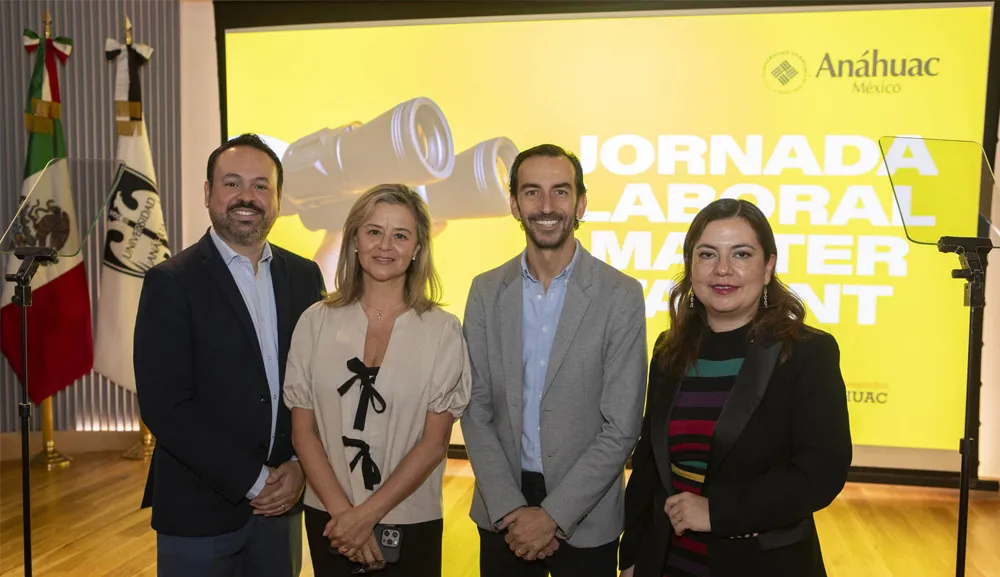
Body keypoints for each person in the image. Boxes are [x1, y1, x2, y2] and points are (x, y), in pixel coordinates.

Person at [618, 198, 853, 577]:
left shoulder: (807, 352)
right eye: (707, 254)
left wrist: (718, 513)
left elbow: (822, 471)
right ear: (691, 266)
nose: (723, 269)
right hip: (668, 562)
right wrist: (630, 557)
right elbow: (649, 466)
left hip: (763, 564)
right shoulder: (669, 348)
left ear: (768, 267)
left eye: (741, 254)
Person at [134, 133, 325, 577]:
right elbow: (165, 407)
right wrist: (255, 481)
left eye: (261, 185)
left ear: (278, 198)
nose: (247, 197)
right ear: (208, 193)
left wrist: (299, 467)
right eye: (232, 183)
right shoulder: (170, 282)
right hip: (199, 510)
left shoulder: (304, 275)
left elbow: (316, 383)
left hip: (284, 505)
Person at [460, 143, 649, 577]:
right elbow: (476, 409)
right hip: (500, 508)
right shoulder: (486, 292)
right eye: (532, 192)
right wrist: (511, 508)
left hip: (587, 514)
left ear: (581, 202)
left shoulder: (620, 295)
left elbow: (621, 426)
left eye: (560, 192)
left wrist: (553, 516)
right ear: (514, 204)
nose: (546, 206)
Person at [282, 183, 472, 575]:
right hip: (330, 519)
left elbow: (435, 443)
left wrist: (366, 515)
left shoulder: (443, 330)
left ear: (418, 247)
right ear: (354, 239)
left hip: (410, 519)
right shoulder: (314, 322)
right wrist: (345, 516)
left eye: (400, 235)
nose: (386, 245)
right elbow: (304, 433)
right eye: (374, 231)